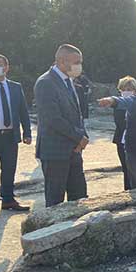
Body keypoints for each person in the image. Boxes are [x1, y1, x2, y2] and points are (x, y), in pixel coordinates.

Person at [34, 44, 89, 207]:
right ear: (62, 61)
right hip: (55, 152)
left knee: (80, 197)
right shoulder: (46, 83)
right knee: (55, 201)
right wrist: (79, 137)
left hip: (74, 150)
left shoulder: (68, 81)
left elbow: (77, 114)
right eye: (76, 62)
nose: (79, 66)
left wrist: (82, 138)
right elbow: (53, 119)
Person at [0, 54, 32, 218]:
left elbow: (23, 111)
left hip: (10, 137)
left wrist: (27, 132)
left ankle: (8, 200)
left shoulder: (15, 87)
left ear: (6, 67)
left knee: (9, 169)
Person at [112, 76, 136, 190]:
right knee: (126, 169)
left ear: (135, 90)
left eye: (129, 89)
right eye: (124, 89)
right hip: (122, 140)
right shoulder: (118, 105)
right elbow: (119, 123)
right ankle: (127, 190)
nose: (126, 92)